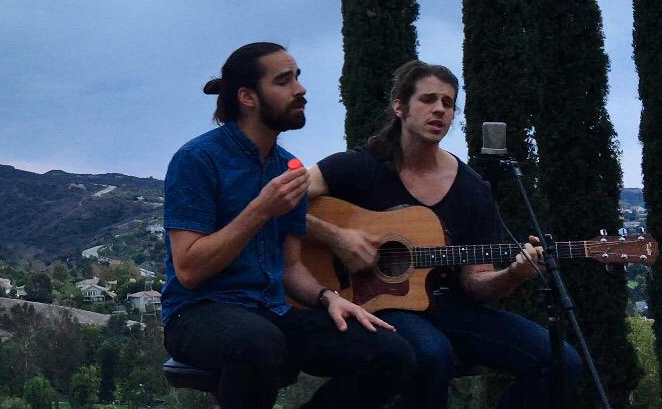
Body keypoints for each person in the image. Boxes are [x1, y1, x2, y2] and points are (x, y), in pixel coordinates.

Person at [307, 59, 584, 409]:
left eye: (448, 103)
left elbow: (476, 284)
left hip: (450, 308)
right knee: (432, 354)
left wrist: (515, 274)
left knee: (560, 362)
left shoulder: (472, 189)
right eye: (428, 99)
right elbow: (277, 198)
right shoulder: (360, 166)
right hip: (374, 303)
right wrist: (336, 237)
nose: (439, 109)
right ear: (399, 107)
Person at [161, 42, 418, 409]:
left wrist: (328, 298)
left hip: (271, 311)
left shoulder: (288, 168)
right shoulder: (196, 160)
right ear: (248, 97)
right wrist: (260, 210)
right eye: (284, 81)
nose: (301, 89)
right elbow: (188, 270)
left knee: (392, 354)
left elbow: (291, 267)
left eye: (297, 77)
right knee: (258, 343)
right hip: (197, 312)